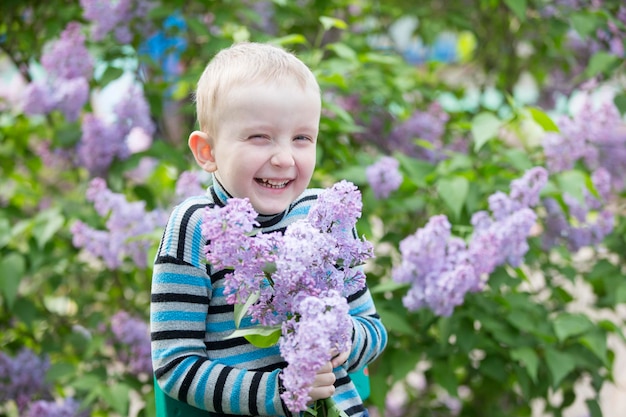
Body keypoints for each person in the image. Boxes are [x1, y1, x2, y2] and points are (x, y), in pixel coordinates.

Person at [150, 41, 387, 417]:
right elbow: (173, 365)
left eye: (302, 138)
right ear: (207, 152)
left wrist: (343, 337)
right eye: (260, 137)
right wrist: (279, 392)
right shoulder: (195, 227)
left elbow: (372, 330)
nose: (283, 158)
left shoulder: (325, 216)